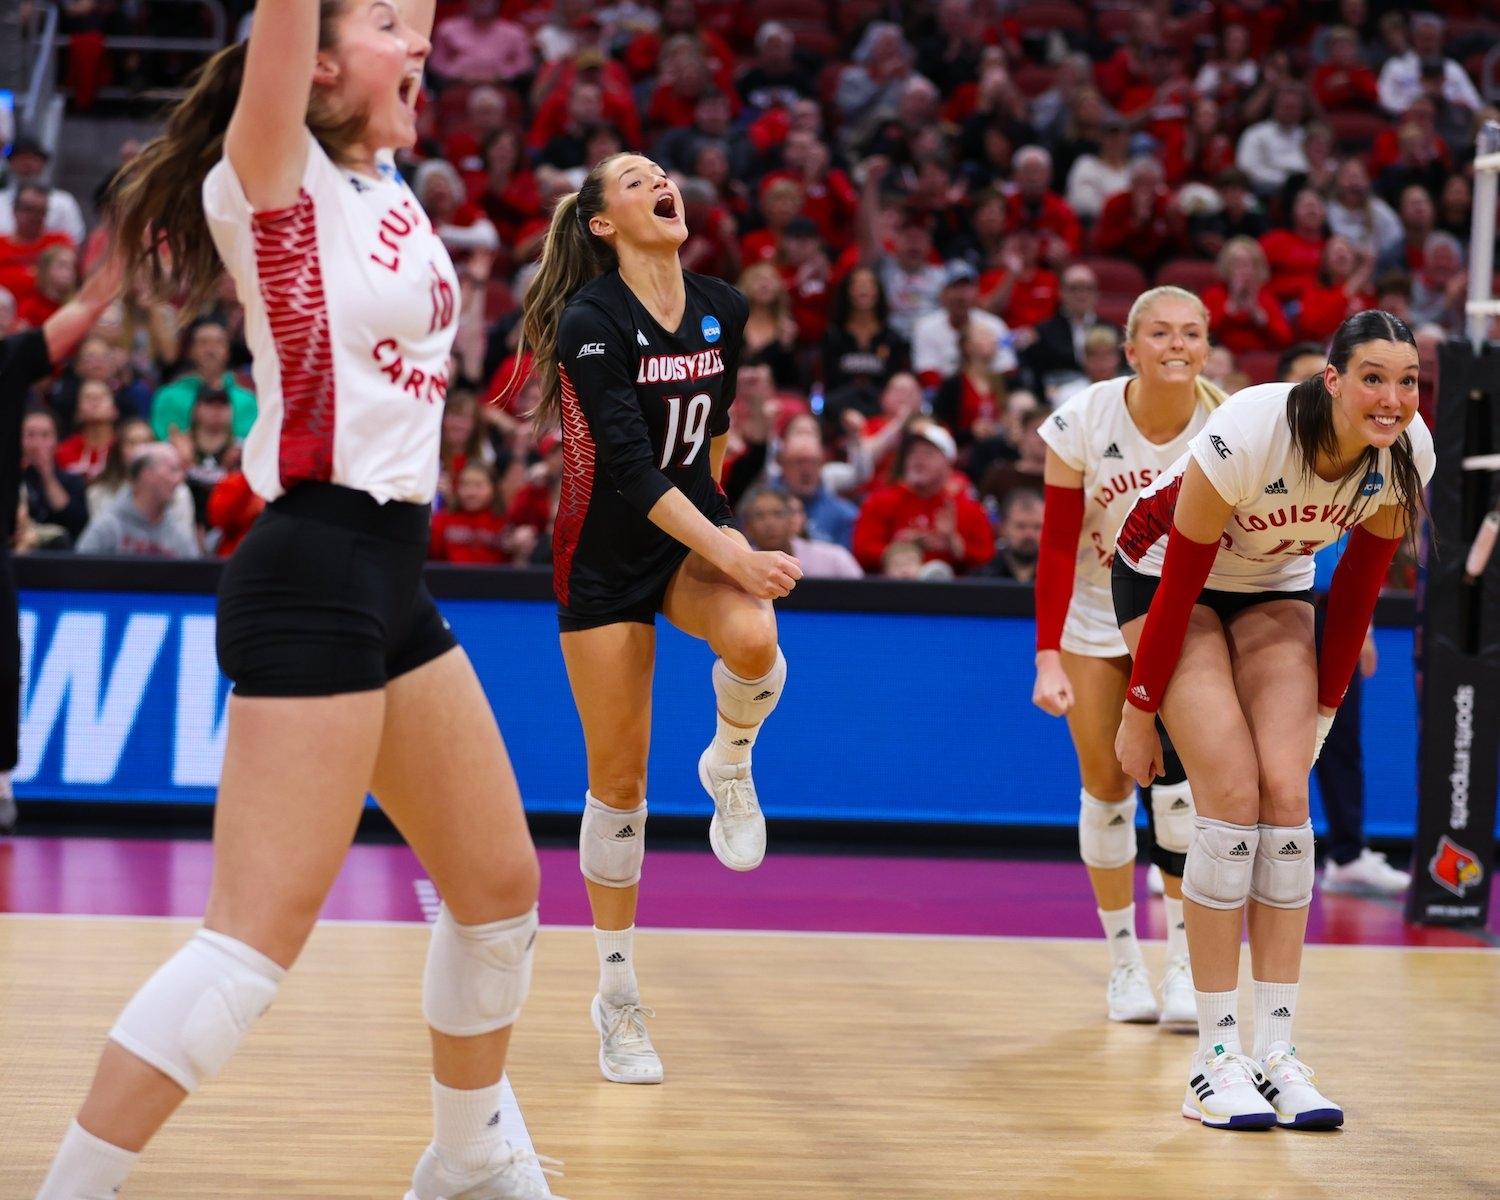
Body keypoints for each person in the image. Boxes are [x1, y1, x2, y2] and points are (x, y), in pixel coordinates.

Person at [33, 2, 554, 1198]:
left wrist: (394, 21)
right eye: (383, 29)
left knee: (497, 892)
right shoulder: (273, 178)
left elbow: (405, 19)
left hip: (391, 577)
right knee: (247, 950)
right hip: (312, 568)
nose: (418, 45)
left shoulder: (386, 189)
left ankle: (466, 1161)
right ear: (313, 67)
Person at [514, 152, 801, 1087]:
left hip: (686, 541)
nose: (659, 183)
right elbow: (633, 472)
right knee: (621, 786)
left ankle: (729, 756)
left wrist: (720, 528)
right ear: (602, 224)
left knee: (755, 637)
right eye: (634, 181)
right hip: (601, 558)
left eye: (662, 174)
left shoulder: (721, 304)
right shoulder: (591, 321)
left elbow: (711, 436)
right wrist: (736, 547)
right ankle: (617, 990)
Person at [1112, 310, 1433, 1130]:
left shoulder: (1405, 454)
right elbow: (1183, 579)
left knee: (1287, 795)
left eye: (1407, 381)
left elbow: (1357, 592)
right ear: (1332, 380)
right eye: (1373, 377)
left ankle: (1278, 1053)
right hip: (1162, 575)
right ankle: (1213, 1060)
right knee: (1230, 791)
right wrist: (1139, 713)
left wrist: (1322, 714)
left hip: (1272, 585)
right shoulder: (1253, 424)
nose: (1392, 398)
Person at [1032, 286, 1227, 1030]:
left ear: (1207, 347)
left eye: (1191, 333)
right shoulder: (1083, 418)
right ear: (1131, 346)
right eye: (1161, 333)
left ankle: (1181, 963)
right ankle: (1123, 965)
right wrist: (1047, 654)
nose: (1177, 345)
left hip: (1186, 617)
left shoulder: (1227, 420)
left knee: (1180, 792)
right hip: (1093, 616)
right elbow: (1054, 544)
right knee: (1108, 785)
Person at [0, 248, 125, 834]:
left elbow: (84, 305)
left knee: (3, 665)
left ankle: (0, 780)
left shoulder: (7, 361)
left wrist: (119, 258)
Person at [76, 442, 201, 558]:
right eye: (173, 470)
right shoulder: (108, 527)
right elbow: (78, 570)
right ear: (147, 474)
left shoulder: (178, 535)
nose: (179, 479)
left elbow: (196, 576)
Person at [740, 485, 862, 579]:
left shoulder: (835, 558)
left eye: (778, 514)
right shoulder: (741, 564)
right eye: (759, 516)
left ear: (791, 520)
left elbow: (864, 597)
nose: (770, 523)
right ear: (748, 526)